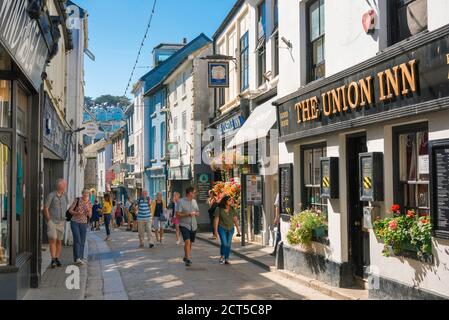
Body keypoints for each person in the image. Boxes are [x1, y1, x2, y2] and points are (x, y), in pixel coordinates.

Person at [43, 179, 69, 269]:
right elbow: (46, 208)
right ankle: (53, 259)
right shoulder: (51, 195)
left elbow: (67, 206)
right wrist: (49, 220)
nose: (66, 186)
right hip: (52, 222)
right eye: (64, 185)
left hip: (61, 222)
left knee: (59, 241)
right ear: (60, 186)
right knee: (53, 240)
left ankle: (57, 258)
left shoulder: (65, 195)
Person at [176, 187, 200, 267]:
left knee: (190, 243)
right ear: (190, 193)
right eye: (194, 192)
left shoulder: (194, 201)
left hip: (193, 225)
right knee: (187, 241)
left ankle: (186, 256)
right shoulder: (181, 201)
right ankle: (188, 259)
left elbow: (197, 211)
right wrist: (188, 214)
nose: (195, 194)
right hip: (184, 224)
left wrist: (197, 213)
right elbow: (177, 214)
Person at [68, 189, 92, 265]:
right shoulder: (77, 200)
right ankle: (77, 258)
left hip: (84, 223)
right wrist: (77, 213)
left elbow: (90, 216)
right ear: (82, 193)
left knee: (82, 241)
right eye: (84, 193)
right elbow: (70, 210)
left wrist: (88, 211)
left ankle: (80, 258)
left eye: (87, 193)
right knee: (77, 239)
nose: (85, 194)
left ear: (88, 195)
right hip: (74, 222)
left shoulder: (89, 203)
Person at [213, 195, 239, 265]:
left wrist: (238, 230)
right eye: (229, 200)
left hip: (231, 228)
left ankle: (226, 259)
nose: (231, 201)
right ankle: (222, 256)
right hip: (222, 228)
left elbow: (235, 220)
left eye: (231, 200)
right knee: (224, 243)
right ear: (225, 201)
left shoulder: (232, 209)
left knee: (228, 244)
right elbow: (216, 220)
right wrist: (215, 231)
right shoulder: (219, 209)